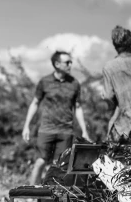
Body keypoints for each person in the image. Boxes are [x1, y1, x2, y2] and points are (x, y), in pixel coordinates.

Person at [21, 51, 91, 185]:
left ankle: (52, 198)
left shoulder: (74, 83)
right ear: (57, 64)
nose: (70, 64)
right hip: (46, 129)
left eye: (71, 62)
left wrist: (84, 130)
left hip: (66, 131)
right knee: (40, 162)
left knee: (59, 167)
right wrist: (26, 126)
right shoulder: (44, 82)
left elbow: (78, 107)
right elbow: (35, 103)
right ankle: (30, 195)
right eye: (67, 62)